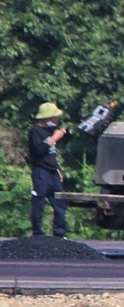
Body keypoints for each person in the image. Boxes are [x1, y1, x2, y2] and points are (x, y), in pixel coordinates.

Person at [27, 102, 68, 239]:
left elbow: (52, 155)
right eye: (54, 117)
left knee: (60, 201)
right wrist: (54, 138)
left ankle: (59, 233)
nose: (56, 120)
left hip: (52, 171)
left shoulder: (51, 131)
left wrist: (57, 169)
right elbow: (39, 150)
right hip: (41, 171)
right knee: (39, 201)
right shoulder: (35, 131)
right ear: (47, 118)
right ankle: (38, 233)